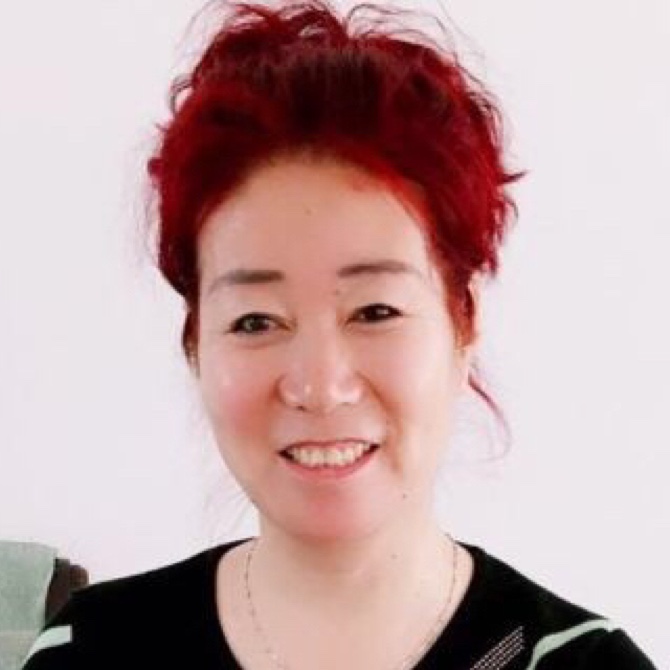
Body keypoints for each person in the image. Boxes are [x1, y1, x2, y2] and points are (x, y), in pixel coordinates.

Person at [22, 1, 657, 668]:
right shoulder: (93, 650)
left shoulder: (578, 664)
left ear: (462, 320)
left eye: (374, 311)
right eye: (256, 320)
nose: (320, 385)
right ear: (195, 344)